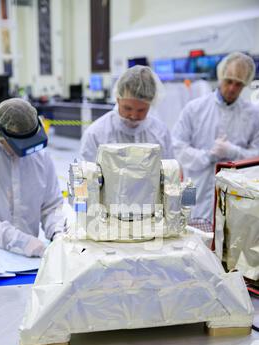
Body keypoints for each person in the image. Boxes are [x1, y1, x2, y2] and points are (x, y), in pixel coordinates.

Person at [0, 98, 65, 257]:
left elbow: (51, 206)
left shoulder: (41, 157)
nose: (28, 150)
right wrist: (22, 242)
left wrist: (59, 232)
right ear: (0, 135)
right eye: (21, 144)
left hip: (26, 260)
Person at [172, 52, 259, 223]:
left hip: (237, 195)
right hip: (193, 186)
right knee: (189, 229)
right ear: (220, 77)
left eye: (239, 84)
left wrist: (233, 152)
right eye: (229, 81)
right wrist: (208, 155)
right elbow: (178, 147)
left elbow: (257, 156)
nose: (232, 88)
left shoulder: (253, 115)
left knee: (229, 237)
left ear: (245, 84)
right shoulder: (195, 108)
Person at [80, 65, 173, 162]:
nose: (134, 116)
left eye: (141, 110)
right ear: (118, 99)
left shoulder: (160, 133)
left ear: (151, 104)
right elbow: (88, 174)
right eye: (127, 108)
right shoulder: (96, 134)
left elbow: (170, 170)